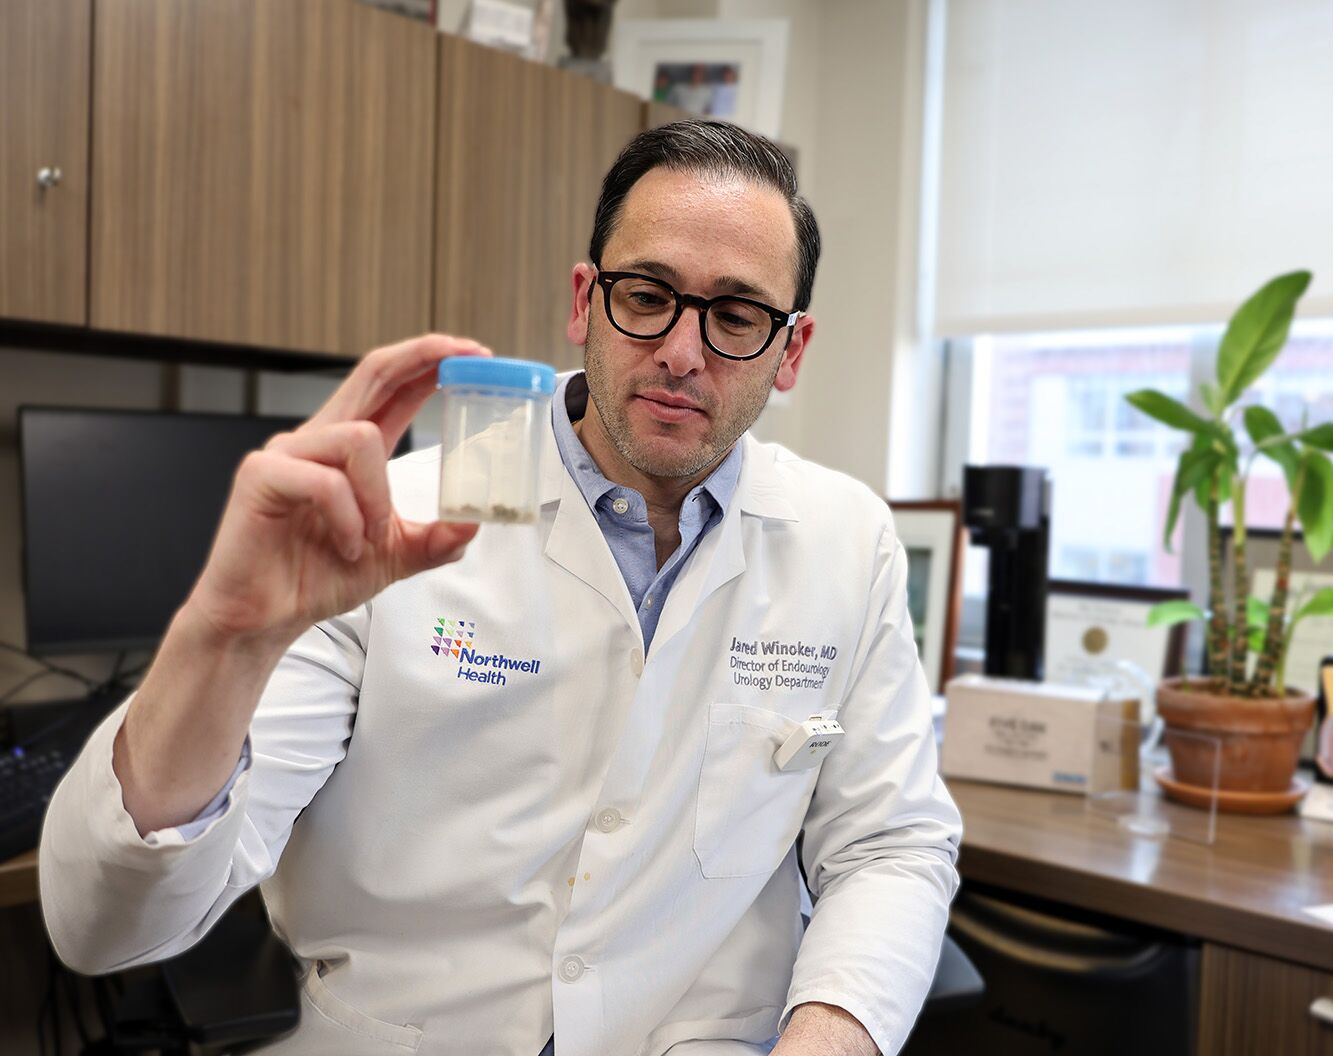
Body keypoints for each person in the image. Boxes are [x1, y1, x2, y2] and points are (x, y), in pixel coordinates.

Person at [41, 120, 961, 1056]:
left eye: (735, 316)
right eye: (647, 295)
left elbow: (890, 845)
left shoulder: (847, 542)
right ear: (584, 303)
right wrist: (223, 639)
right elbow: (108, 926)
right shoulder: (377, 528)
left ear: (792, 350)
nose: (683, 351)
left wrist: (832, 1035)